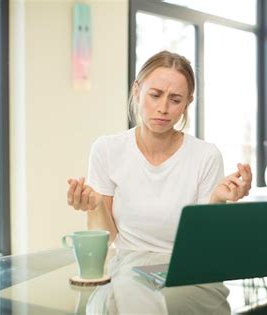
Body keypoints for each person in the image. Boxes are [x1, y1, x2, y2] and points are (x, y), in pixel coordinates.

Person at [66, 50, 252, 252]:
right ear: (137, 91)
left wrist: (217, 200)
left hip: (183, 269)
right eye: (155, 95)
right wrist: (96, 205)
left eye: (175, 100)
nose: (163, 108)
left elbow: (205, 243)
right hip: (126, 272)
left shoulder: (206, 156)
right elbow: (107, 238)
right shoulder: (107, 149)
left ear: (187, 102)